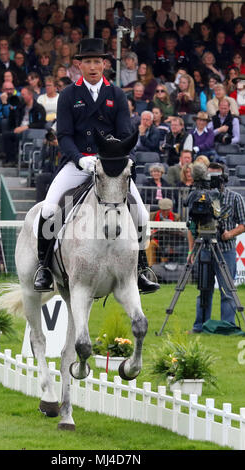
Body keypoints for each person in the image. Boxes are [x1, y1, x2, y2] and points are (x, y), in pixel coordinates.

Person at [34, 38, 160, 295]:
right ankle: (45, 268)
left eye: (97, 61)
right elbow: (65, 135)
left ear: (104, 63)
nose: (93, 66)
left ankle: (141, 269)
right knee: (48, 209)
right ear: (79, 64)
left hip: (110, 167)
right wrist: (80, 157)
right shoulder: (69, 94)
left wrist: (121, 158)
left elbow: (125, 133)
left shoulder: (116, 95)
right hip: (77, 163)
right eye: (87, 61)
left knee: (142, 216)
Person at [188, 162, 245, 333]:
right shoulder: (199, 197)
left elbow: (244, 224)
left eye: (215, 176)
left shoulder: (235, 198)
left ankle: (227, 326)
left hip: (226, 249)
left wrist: (230, 234)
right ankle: (200, 326)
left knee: (227, 289)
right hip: (204, 248)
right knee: (204, 289)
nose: (212, 180)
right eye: (209, 175)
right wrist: (191, 250)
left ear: (223, 177)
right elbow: (191, 226)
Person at [1, 85, 46, 167]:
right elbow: (12, 121)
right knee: (6, 135)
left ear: (30, 95)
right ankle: (9, 159)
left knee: (21, 135)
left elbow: (41, 123)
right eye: (21, 94)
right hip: (19, 130)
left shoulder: (38, 108)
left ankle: (18, 160)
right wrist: (12, 109)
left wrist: (26, 127)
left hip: (30, 131)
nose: (21, 96)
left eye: (23, 94)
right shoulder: (20, 107)